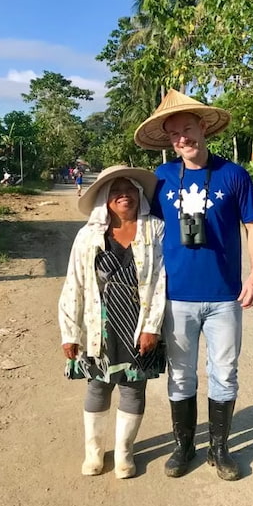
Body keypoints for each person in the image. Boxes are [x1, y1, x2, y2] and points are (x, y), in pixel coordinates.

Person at [134, 89, 253, 481]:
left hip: (225, 296)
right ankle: (184, 445)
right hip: (175, 297)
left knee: (225, 372)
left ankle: (220, 449)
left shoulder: (234, 175)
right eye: (174, 133)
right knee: (180, 374)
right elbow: (137, 225)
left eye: (188, 129)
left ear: (203, 127)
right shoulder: (159, 179)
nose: (182, 139)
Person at [58, 165, 167, 479]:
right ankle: (93, 453)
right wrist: (70, 332)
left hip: (138, 321)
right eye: (117, 190)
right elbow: (74, 283)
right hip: (99, 323)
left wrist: (152, 327)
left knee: (134, 387)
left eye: (130, 189)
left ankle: (124, 454)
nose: (124, 195)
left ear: (138, 195)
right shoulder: (88, 235)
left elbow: (161, 280)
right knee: (98, 385)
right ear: (106, 198)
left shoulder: (155, 230)